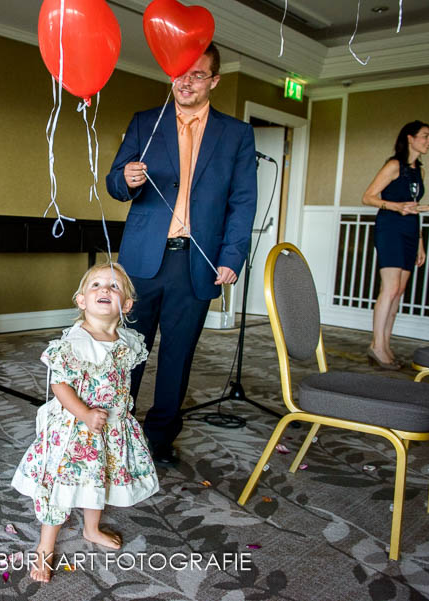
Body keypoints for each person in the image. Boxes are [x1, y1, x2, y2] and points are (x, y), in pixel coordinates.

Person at [105, 43, 257, 465]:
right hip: (143, 260)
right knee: (127, 349)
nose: (185, 81)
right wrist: (127, 178)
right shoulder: (145, 122)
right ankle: (116, 428)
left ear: (214, 81)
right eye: (180, 73)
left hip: (198, 259)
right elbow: (115, 184)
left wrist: (232, 255)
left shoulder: (237, 135)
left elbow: (243, 202)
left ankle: (158, 438)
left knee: (178, 354)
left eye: (197, 74)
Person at [11, 262, 159, 583]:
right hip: (76, 431)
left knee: (100, 479)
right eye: (96, 285)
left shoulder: (127, 342)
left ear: (127, 305)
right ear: (81, 300)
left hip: (111, 428)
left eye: (114, 286)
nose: (105, 290)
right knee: (60, 489)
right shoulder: (73, 344)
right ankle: (45, 547)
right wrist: (85, 413)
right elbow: (60, 385)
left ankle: (92, 529)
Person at [362, 121, 429, 369]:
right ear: (410, 138)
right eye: (425, 136)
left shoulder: (419, 171)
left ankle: (385, 343)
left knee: (399, 292)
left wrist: (420, 243)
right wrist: (396, 206)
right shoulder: (394, 166)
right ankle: (376, 345)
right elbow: (368, 196)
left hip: (410, 232)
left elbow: (413, 207)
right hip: (390, 229)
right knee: (390, 289)